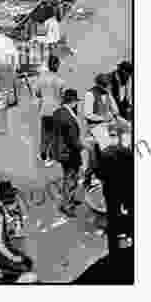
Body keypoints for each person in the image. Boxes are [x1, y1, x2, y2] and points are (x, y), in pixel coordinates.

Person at [0, 180, 34, 282]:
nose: (14, 201)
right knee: (25, 269)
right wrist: (13, 257)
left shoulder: (2, 209)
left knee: (27, 264)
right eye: (11, 198)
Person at [52, 89, 84, 217]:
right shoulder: (69, 118)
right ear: (73, 102)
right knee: (71, 178)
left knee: (69, 176)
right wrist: (85, 146)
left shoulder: (58, 112)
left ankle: (70, 199)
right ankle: (67, 205)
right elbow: (73, 142)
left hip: (61, 150)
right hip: (69, 153)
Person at [35, 55, 66, 166]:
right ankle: (51, 157)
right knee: (54, 135)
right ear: (57, 65)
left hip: (44, 109)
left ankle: (43, 153)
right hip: (56, 110)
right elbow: (63, 98)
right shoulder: (60, 81)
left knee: (44, 133)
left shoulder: (41, 78)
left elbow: (37, 93)